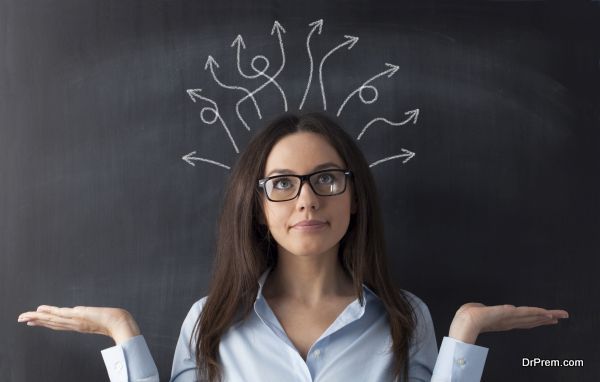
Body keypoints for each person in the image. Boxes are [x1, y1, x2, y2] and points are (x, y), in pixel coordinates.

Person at [18, 112, 569, 382]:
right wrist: (123, 334)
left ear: (354, 198)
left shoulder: (407, 319)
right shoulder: (208, 322)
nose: (306, 201)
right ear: (258, 206)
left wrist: (465, 333)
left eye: (326, 178)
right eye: (282, 183)